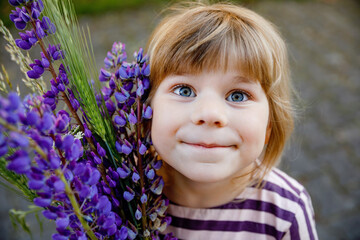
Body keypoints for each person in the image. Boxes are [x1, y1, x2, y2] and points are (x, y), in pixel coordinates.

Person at [146, 1, 318, 239]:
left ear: (269, 125)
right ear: (146, 109)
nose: (209, 114)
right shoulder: (123, 190)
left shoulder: (286, 211)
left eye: (237, 95)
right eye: (184, 90)